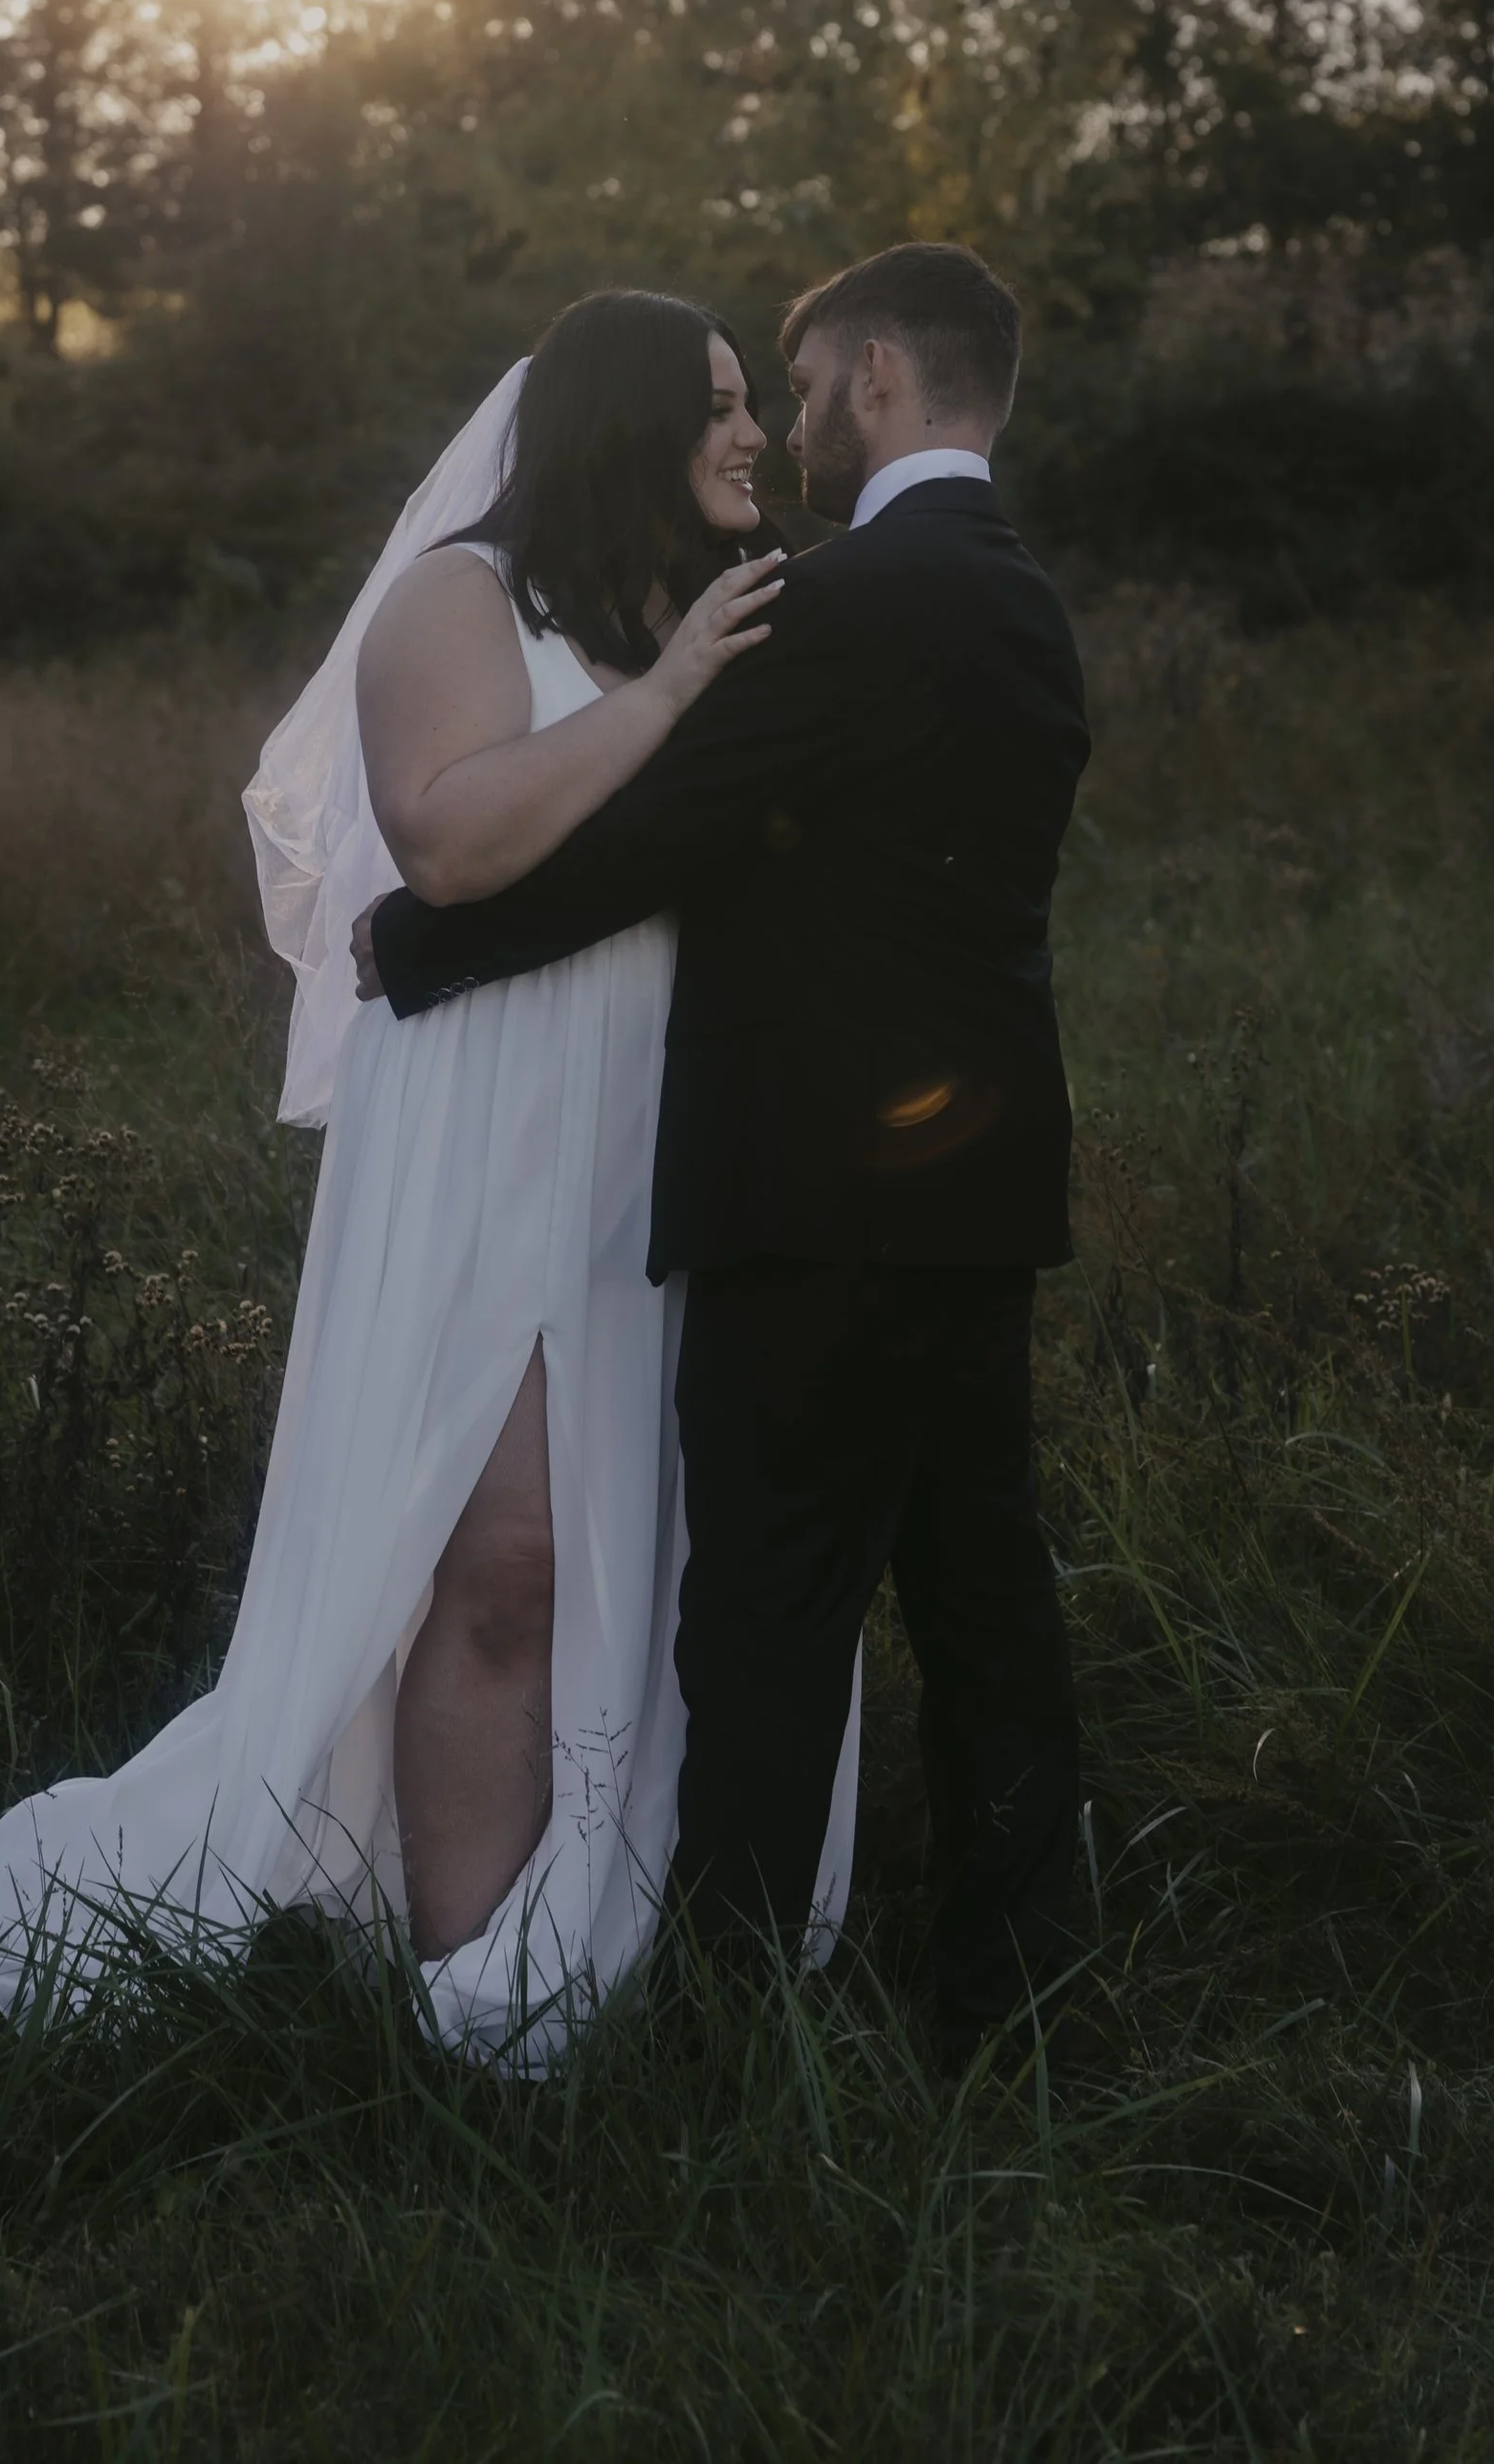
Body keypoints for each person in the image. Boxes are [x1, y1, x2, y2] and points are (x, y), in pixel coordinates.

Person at [0, 293, 862, 2060]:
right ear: (623, 418)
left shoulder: (697, 603)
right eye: (721, 405)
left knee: (630, 1552)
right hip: (493, 1113)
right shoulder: (462, 598)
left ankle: (595, 1946)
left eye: (759, 403)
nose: (755, 436)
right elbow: (446, 841)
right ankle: (468, 2005)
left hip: (662, 1117)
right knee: (499, 1549)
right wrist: (669, 692)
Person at [364, 242, 1090, 2040]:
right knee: (990, 1607)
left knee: (762, 1621)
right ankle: (1028, 2000)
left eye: (801, 379)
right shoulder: (1024, 601)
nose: (786, 419)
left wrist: (423, 939)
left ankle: (727, 2018)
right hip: (983, 1192)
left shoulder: (842, 600)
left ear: (880, 381)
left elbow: (662, 834)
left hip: (810, 1198)